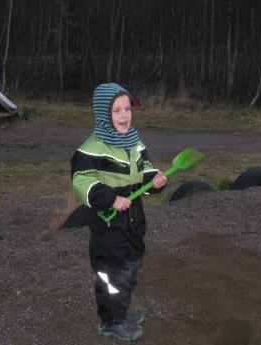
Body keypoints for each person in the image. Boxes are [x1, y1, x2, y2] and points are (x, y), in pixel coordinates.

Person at [70, 83, 168, 341]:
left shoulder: (134, 142)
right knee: (113, 275)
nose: (125, 115)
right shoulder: (92, 148)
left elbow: (144, 168)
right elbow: (82, 181)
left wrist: (154, 179)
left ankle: (121, 311)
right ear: (104, 114)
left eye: (127, 109)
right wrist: (111, 199)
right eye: (117, 111)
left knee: (130, 267)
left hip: (134, 220)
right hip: (109, 224)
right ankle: (111, 321)